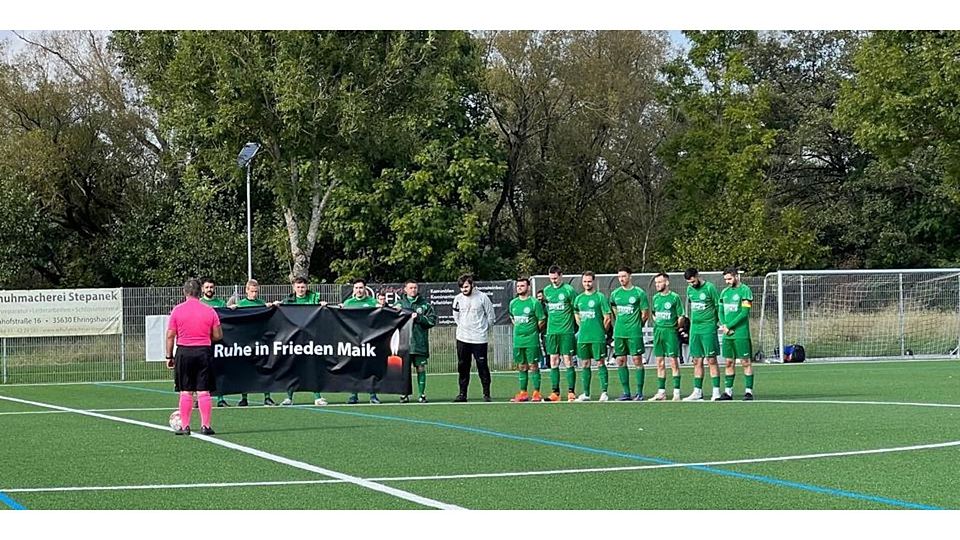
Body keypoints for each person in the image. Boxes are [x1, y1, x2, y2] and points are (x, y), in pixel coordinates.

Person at [166, 278, 222, 436]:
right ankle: (205, 425)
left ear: (185, 292)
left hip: (184, 352)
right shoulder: (209, 310)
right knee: (204, 391)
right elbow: (218, 335)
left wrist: (169, 356)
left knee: (186, 390)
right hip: (203, 351)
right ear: (200, 292)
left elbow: (170, 336)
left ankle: (185, 426)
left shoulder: (177, 310)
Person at [276, 276, 329, 406]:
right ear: (294, 287)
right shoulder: (288, 300)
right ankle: (289, 397)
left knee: (313, 367)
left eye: (303, 287)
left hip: (311, 339)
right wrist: (276, 305)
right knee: (292, 367)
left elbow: (322, 310)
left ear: (307, 287)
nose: (300, 289)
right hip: (294, 340)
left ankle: (317, 397)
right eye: (298, 287)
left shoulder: (314, 298)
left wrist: (322, 304)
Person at [228, 279, 277, 407]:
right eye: (252, 291)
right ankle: (244, 397)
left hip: (261, 341)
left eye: (256, 291)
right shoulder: (241, 304)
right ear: (247, 290)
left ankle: (267, 397)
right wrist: (232, 309)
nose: (254, 294)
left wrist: (271, 307)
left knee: (265, 368)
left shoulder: (262, 304)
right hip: (246, 342)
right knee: (245, 369)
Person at [451, 273, 496, 402]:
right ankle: (462, 394)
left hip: (479, 339)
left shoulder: (483, 297)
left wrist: (482, 330)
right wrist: (463, 328)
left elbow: (491, 316)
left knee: (482, 365)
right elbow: (456, 316)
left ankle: (486, 394)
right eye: (461, 287)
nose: (463, 289)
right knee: (463, 366)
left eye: (466, 286)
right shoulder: (458, 298)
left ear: (472, 285)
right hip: (462, 338)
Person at [608, 266, 650, 401]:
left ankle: (639, 392)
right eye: (619, 276)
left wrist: (637, 325)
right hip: (619, 332)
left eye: (624, 276)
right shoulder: (615, 294)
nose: (621, 279)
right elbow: (614, 308)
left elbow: (645, 313)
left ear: (630, 276)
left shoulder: (639, 293)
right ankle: (626, 392)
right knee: (620, 360)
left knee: (637, 360)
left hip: (634, 333)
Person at [393, 280, 437, 403]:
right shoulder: (399, 305)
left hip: (419, 343)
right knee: (403, 370)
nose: (413, 290)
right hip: (403, 343)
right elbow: (391, 322)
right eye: (411, 288)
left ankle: (422, 394)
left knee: (420, 368)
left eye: (415, 288)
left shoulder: (424, 305)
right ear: (405, 289)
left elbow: (432, 321)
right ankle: (404, 394)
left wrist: (419, 318)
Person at [683, 268, 723, 401]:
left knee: (711, 359)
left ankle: (716, 391)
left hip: (708, 327)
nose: (691, 284)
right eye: (689, 282)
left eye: (693, 281)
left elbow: (718, 306)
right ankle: (697, 391)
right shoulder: (689, 290)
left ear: (697, 276)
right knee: (696, 360)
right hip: (695, 329)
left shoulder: (710, 288)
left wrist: (718, 322)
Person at [572, 271, 612, 402]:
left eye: (589, 281)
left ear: (593, 281)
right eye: (585, 281)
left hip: (597, 337)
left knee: (600, 362)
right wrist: (582, 326)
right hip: (583, 337)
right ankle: (586, 393)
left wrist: (602, 331)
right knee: (584, 363)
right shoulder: (579, 298)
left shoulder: (600, 297)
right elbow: (576, 313)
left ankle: (604, 392)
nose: (587, 283)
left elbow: (607, 317)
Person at [541, 265, 578, 402]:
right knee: (553, 360)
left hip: (566, 331)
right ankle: (555, 392)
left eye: (555, 278)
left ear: (561, 276)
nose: (554, 281)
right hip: (552, 331)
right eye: (551, 278)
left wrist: (576, 327)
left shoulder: (569, 290)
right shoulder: (547, 291)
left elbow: (576, 309)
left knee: (568, 360)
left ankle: (571, 391)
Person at [341, 278, 381, 404]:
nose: (359, 290)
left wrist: (381, 308)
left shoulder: (373, 302)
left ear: (365, 289)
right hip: (353, 340)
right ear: (354, 289)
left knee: (370, 368)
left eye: (361, 288)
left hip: (370, 340)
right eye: (356, 288)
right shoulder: (348, 303)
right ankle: (353, 395)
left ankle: (373, 395)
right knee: (354, 368)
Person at [718, 267, 755, 400]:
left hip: (740, 333)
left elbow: (744, 313)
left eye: (729, 279)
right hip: (727, 334)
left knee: (745, 362)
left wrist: (729, 326)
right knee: (728, 362)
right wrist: (724, 326)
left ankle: (749, 391)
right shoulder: (724, 293)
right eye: (725, 279)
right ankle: (728, 392)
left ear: (736, 276)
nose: (727, 282)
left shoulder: (745, 291)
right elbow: (720, 311)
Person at [509, 277, 546, 403]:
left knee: (533, 366)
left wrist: (533, 330)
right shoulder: (513, 303)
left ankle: (536, 393)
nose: (519, 287)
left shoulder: (534, 303)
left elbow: (541, 320)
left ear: (528, 287)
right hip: (518, 340)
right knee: (521, 366)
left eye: (522, 285)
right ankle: (523, 393)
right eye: (518, 286)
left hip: (531, 340)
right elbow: (512, 318)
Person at [198, 278, 233, 408]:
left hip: (218, 342)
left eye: (211, 287)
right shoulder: (199, 303)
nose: (209, 289)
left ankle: (220, 398)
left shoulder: (221, 303)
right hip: (202, 342)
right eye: (207, 287)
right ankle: (199, 398)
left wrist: (231, 310)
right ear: (202, 289)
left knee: (219, 370)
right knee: (201, 372)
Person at [650, 272, 685, 401]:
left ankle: (676, 392)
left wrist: (676, 327)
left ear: (667, 282)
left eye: (660, 282)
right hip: (658, 332)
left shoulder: (674, 297)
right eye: (656, 283)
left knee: (673, 361)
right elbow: (654, 314)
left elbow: (681, 315)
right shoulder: (655, 298)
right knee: (659, 362)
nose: (657, 285)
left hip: (670, 332)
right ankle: (661, 392)